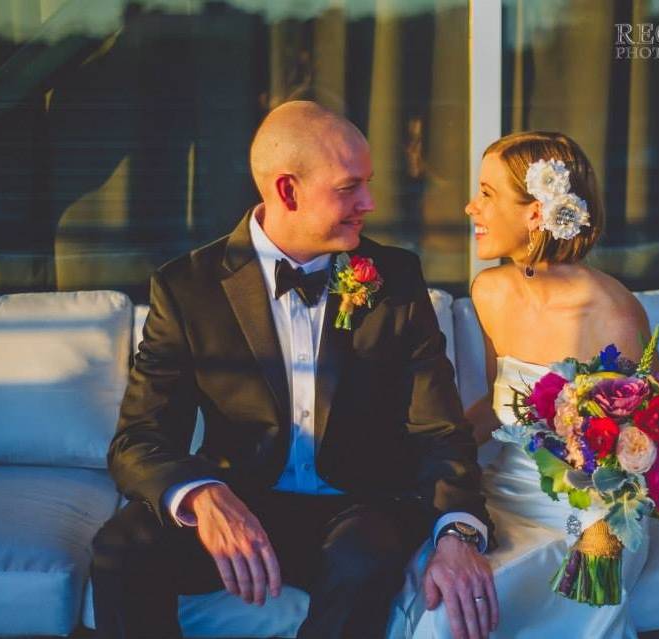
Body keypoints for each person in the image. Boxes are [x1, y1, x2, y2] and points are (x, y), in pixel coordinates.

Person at [91, 101, 499, 639]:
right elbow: (138, 439)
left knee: (365, 556)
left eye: (368, 184)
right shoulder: (186, 286)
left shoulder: (393, 277)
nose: (369, 202)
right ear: (287, 190)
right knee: (120, 548)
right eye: (350, 187)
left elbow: (439, 431)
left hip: (358, 511)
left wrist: (458, 533)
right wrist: (200, 494)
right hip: (242, 503)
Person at [463, 131, 658, 638]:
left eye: (486, 193)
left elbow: (650, 441)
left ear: (534, 213)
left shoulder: (612, 312)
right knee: (445, 592)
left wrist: (602, 530)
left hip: (591, 518)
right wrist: (431, 453)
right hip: (503, 497)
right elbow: (496, 403)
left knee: (489, 599)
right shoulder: (489, 291)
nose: (470, 207)